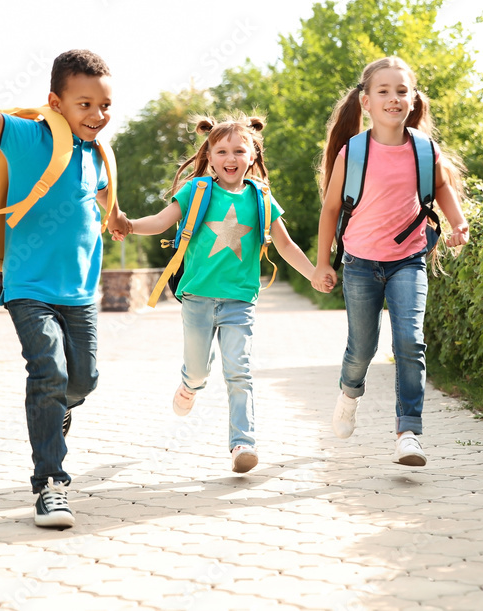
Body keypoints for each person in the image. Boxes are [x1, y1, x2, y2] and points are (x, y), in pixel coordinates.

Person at [0, 31, 130, 529]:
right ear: (56, 102)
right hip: (29, 288)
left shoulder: (97, 156)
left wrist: (118, 217)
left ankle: (54, 409)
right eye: (85, 104)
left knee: (83, 380)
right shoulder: (27, 135)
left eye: (105, 105)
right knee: (49, 374)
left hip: (80, 292)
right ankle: (51, 485)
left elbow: (100, 199)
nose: (97, 114)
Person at [119, 114, 331, 473]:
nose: (230, 158)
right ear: (210, 155)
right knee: (200, 371)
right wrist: (129, 225)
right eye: (221, 151)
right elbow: (161, 220)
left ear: (253, 155)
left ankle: (242, 444)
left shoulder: (261, 197)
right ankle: (189, 384)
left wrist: (312, 273)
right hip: (198, 297)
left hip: (239, 301)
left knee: (240, 372)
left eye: (238, 150)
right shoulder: (197, 190)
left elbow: (285, 243)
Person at [311, 56, 470, 467]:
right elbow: (330, 211)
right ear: (365, 101)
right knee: (361, 348)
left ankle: (409, 431)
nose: (393, 98)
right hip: (361, 263)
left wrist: (459, 222)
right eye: (383, 91)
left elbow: (440, 186)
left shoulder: (424, 148)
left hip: (408, 260)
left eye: (402, 91)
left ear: (413, 99)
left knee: (409, 342)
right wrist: (322, 263)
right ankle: (349, 395)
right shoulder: (354, 151)